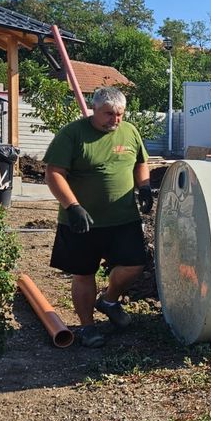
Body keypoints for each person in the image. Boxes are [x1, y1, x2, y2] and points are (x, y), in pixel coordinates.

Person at [43, 87, 154, 348]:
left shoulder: (130, 132)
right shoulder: (73, 134)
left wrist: (145, 186)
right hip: (81, 221)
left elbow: (140, 162)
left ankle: (109, 300)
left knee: (134, 265)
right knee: (83, 273)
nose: (115, 120)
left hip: (123, 219)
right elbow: (53, 173)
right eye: (109, 114)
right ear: (94, 109)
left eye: (120, 114)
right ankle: (87, 327)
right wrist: (72, 207)